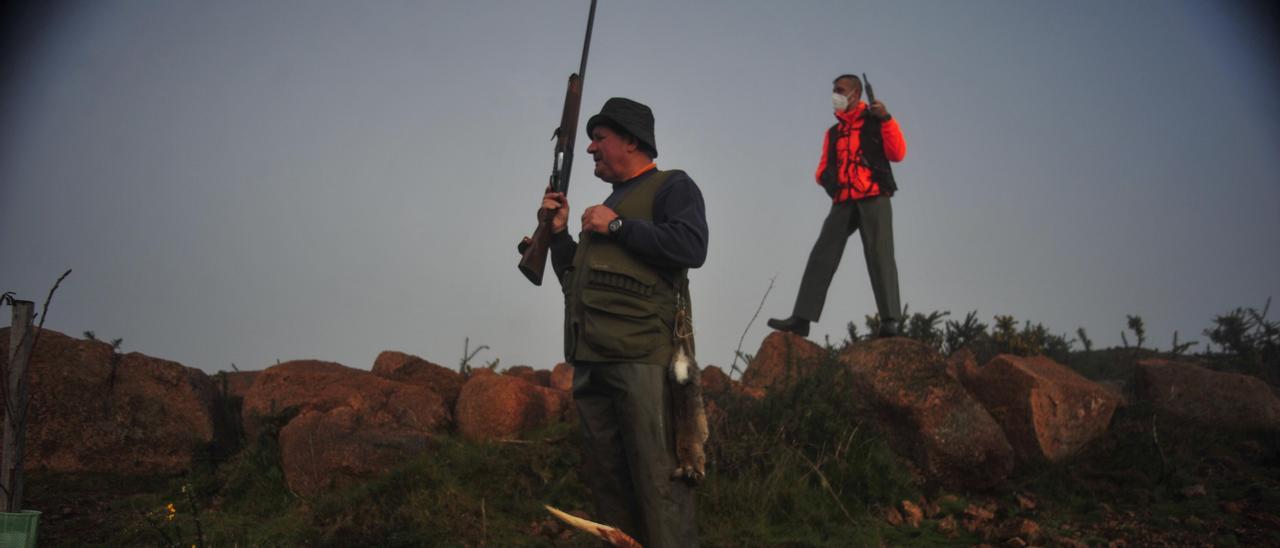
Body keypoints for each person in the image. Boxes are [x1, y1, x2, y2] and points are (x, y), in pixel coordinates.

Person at [539, 97, 707, 547]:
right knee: (611, 493)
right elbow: (578, 286)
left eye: (600, 138)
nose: (592, 149)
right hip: (591, 364)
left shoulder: (672, 186)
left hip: (643, 360)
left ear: (631, 140)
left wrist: (617, 228)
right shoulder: (609, 205)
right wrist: (559, 237)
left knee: (661, 486)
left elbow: (692, 246)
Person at [768, 74, 908, 338]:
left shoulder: (876, 121)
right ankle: (802, 318)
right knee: (822, 254)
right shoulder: (833, 132)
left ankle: (891, 320)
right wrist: (831, 183)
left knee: (880, 255)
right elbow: (821, 169)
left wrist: (887, 119)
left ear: (855, 94)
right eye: (834, 90)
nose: (836, 95)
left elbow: (897, 153)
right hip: (844, 200)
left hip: (874, 194)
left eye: (840, 90)